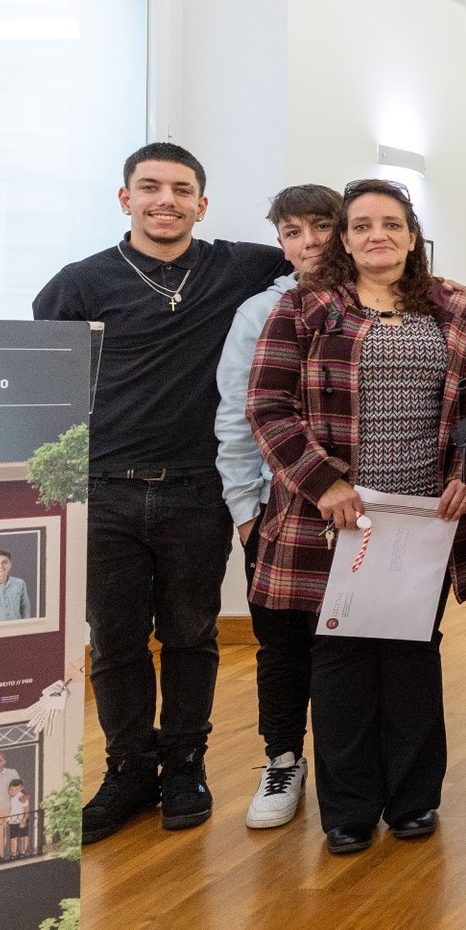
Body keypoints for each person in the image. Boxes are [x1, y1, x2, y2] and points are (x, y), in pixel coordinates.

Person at [34, 142, 288, 843]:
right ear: (126, 199)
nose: (166, 200)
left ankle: (185, 765)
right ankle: (126, 772)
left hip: (196, 489)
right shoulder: (78, 285)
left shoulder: (241, 267)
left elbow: (318, 245)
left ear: (202, 204)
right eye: (150, 188)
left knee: (190, 634)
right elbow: (43, 394)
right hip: (103, 491)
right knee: (113, 640)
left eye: (182, 189)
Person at [248, 179, 466, 856]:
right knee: (342, 660)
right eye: (361, 225)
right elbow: (267, 408)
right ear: (344, 238)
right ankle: (350, 810)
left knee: (413, 654)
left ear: (413, 236)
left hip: (426, 518)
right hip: (334, 521)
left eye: (390, 223)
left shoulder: (455, 307)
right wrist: (323, 484)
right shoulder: (304, 307)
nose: (375, 235)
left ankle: (414, 801)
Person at [215, 182, 344, 829]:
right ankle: (283, 759)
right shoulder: (259, 313)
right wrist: (245, 509)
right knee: (281, 645)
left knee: (352, 650)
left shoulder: (374, 302)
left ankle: (348, 770)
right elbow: (240, 417)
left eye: (320, 226)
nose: (310, 242)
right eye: (293, 233)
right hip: (277, 510)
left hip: (357, 509)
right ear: (280, 243)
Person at [4, 779, 32, 858]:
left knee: (23, 836)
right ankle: (13, 853)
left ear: (20, 789)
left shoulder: (22, 797)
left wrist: (24, 820)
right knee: (13, 838)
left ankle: (22, 852)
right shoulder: (10, 798)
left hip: (21, 819)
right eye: (12, 789)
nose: (13, 791)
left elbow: (26, 809)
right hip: (12, 820)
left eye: (16, 789)